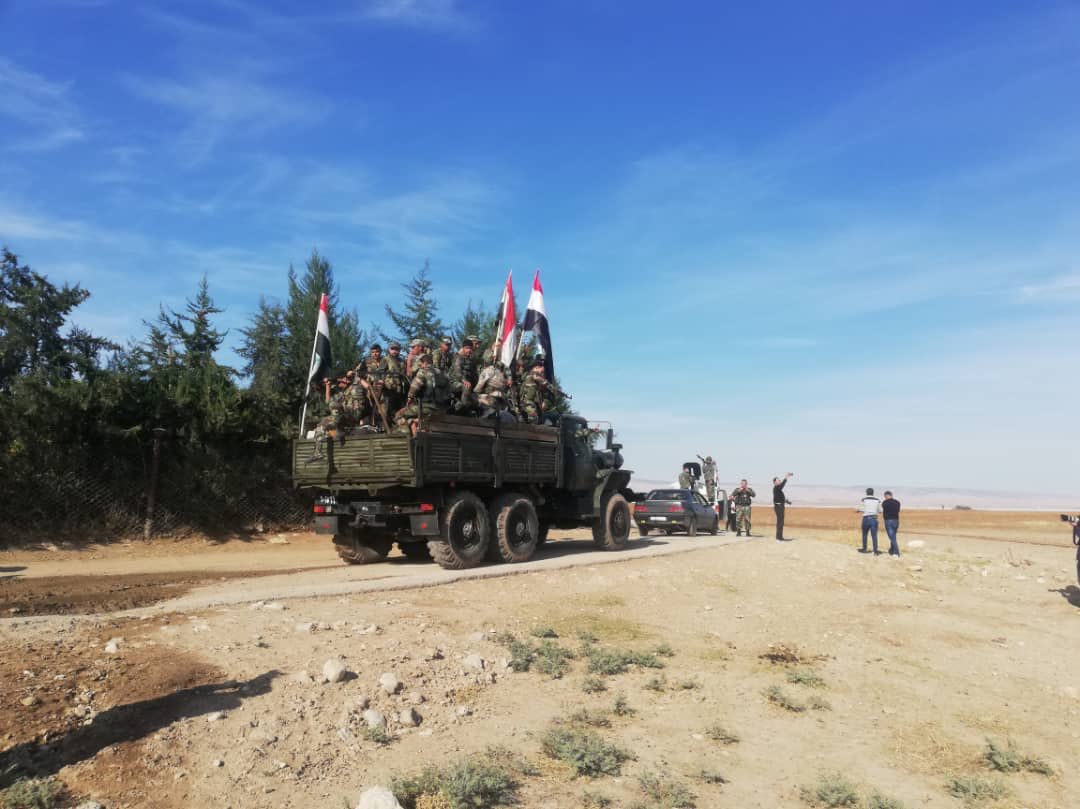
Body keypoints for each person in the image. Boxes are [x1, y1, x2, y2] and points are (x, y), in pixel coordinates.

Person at [857, 487, 882, 554]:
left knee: (865, 534)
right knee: (874, 535)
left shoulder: (864, 500)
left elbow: (861, 509)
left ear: (866, 492)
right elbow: (880, 510)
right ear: (873, 493)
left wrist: (858, 510)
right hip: (874, 519)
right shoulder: (878, 500)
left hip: (866, 519)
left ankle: (864, 549)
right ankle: (875, 551)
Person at [773, 472, 794, 541]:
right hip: (778, 507)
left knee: (781, 522)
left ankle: (780, 537)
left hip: (781, 506)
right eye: (778, 480)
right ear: (775, 482)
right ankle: (778, 538)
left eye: (779, 480)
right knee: (780, 522)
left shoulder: (778, 489)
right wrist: (786, 477)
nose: (779, 481)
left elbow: (780, 498)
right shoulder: (776, 488)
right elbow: (782, 485)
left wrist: (787, 501)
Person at [882, 491, 901, 556]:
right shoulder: (897, 502)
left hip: (888, 521)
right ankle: (892, 550)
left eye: (885, 496)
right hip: (896, 521)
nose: (884, 498)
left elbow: (884, 510)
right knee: (893, 536)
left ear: (887, 496)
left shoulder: (885, 503)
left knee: (892, 537)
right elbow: (898, 510)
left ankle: (896, 552)